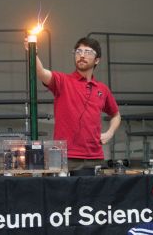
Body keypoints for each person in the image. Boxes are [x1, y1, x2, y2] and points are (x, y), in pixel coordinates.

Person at [36, 37, 121, 171]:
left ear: (97, 60)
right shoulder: (62, 81)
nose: (81, 55)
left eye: (87, 52)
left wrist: (110, 133)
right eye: (78, 51)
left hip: (95, 157)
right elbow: (41, 72)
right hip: (64, 156)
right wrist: (32, 52)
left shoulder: (102, 89)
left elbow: (116, 115)